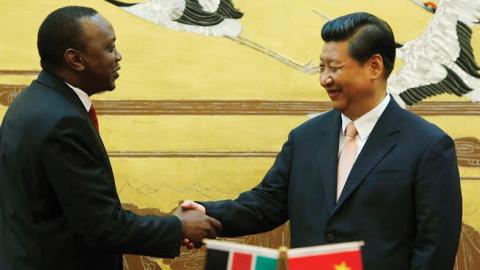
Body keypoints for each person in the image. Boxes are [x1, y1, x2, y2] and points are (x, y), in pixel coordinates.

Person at [182, 12, 462, 270]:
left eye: (334, 67)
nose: (324, 79)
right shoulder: (305, 138)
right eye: (321, 67)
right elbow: (265, 204)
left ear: (374, 66)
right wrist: (205, 211)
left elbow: (435, 249)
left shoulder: (428, 146)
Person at [0, 6, 221, 270]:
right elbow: (102, 226)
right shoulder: (62, 122)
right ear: (75, 60)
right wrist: (178, 227)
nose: (118, 56)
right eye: (109, 48)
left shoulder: (31, 101)